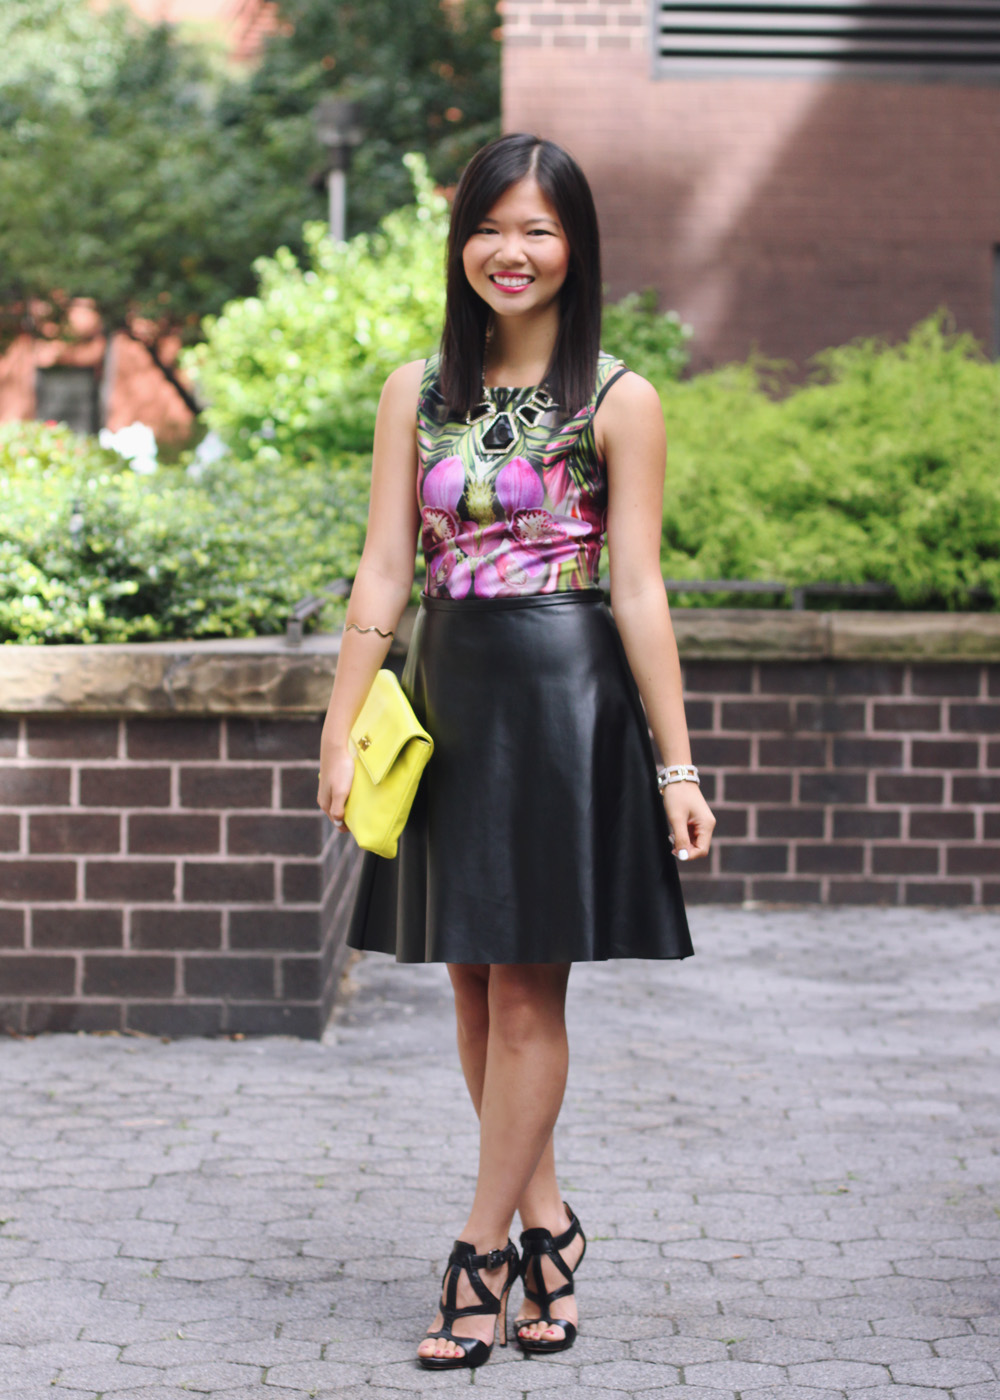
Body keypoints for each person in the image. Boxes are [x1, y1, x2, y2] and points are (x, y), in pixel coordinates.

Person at [317, 132, 715, 1372]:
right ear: (462, 242)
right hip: (446, 691)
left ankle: (479, 1249)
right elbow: (386, 567)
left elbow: (640, 589)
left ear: (575, 248)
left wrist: (676, 762)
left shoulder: (619, 397)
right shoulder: (414, 391)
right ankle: (552, 1230)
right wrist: (338, 719)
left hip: (561, 702)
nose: (513, 249)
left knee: (530, 984)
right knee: (470, 982)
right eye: (493, 225)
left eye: (539, 228)